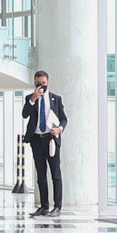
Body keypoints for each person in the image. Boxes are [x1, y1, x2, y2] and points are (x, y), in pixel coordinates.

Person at [21, 69, 67, 214]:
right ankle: (44, 206)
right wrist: (33, 99)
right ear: (35, 83)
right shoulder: (30, 98)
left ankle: (57, 206)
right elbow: (24, 114)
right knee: (41, 174)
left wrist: (59, 129)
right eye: (38, 83)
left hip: (51, 139)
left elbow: (64, 119)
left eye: (44, 83)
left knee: (55, 174)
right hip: (36, 140)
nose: (41, 86)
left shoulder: (56, 99)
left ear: (48, 83)